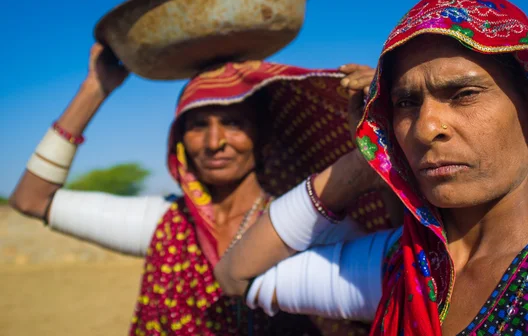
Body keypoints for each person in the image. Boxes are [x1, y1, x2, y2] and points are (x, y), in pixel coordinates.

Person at [214, 0, 528, 335]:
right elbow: (236, 275)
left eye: (464, 93)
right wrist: (368, 160)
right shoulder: (403, 266)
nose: (425, 128)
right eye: (406, 103)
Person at [9, 43, 397, 335]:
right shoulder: (165, 224)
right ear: (179, 140)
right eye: (197, 125)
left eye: (233, 122)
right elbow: (31, 199)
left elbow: (405, 275)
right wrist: (95, 88)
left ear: (262, 137)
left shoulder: (310, 224)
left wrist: (379, 129)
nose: (215, 142)